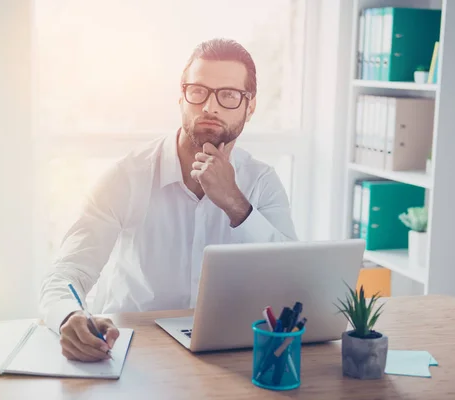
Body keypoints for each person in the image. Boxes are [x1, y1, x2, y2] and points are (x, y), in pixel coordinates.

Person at [40, 38, 298, 362]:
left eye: (229, 95)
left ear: (251, 106)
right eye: (198, 91)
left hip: (228, 358)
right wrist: (67, 316)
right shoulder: (127, 176)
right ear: (181, 96)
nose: (210, 107)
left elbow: (292, 282)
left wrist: (235, 203)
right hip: (131, 352)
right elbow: (65, 273)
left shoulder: (262, 182)